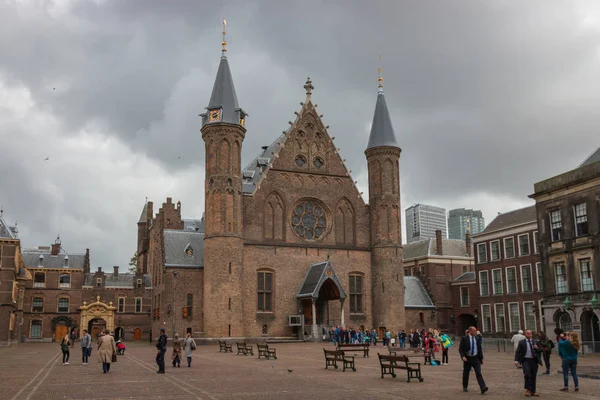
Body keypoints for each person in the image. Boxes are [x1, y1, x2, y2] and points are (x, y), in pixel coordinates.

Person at [459, 326, 488, 394]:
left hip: (475, 358)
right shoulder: (464, 338)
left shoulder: (477, 338)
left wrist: (481, 358)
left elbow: (479, 349)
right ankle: (465, 386)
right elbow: (461, 349)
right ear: (470, 331)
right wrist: (463, 356)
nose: (476, 332)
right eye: (474, 331)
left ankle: (483, 387)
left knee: (478, 373)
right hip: (467, 358)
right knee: (466, 373)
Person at [514, 329, 543, 397]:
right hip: (526, 360)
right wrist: (516, 361)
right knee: (527, 374)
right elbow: (518, 352)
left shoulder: (535, 341)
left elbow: (541, 350)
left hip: (534, 360)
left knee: (533, 376)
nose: (529, 335)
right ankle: (528, 389)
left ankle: (533, 391)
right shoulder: (522, 342)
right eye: (528, 333)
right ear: (525, 334)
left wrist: (537, 348)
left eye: (530, 333)